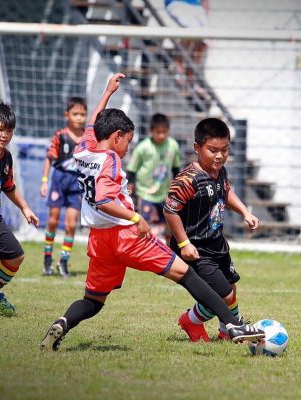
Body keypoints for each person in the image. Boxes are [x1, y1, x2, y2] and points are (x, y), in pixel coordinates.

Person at [40, 73, 264, 351]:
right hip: (126, 236)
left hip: (99, 240)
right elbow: (103, 199)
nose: (127, 148)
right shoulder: (110, 159)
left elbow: (92, 123)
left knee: (93, 300)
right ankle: (233, 324)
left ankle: (63, 323)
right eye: (128, 141)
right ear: (117, 137)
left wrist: (107, 93)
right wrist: (136, 217)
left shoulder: (84, 150)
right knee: (187, 274)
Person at [164, 117, 260, 342]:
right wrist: (184, 244)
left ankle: (225, 332)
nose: (219, 156)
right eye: (213, 150)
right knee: (223, 295)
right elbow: (170, 211)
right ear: (197, 148)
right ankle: (192, 320)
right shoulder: (187, 179)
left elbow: (225, 191)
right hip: (195, 248)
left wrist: (245, 212)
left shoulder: (220, 171)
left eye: (224, 150)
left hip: (217, 242)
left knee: (231, 288)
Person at [0, 102, 39, 316]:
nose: (5, 135)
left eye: (9, 130)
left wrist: (25, 208)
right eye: (0, 129)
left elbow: (8, 187)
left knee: (16, 256)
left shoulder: (6, 157)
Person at [39, 97, 87, 278]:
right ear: (67, 115)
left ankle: (64, 261)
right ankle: (47, 258)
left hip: (77, 182)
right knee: (52, 220)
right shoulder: (60, 136)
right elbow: (49, 158)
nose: (79, 118)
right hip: (59, 179)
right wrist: (44, 180)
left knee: (71, 224)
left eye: (82, 114)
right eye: (75, 114)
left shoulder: (87, 138)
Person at [126, 113, 181, 242]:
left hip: (164, 194)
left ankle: (168, 250)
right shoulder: (143, 147)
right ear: (151, 131)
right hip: (145, 193)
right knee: (146, 225)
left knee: (168, 225)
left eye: (164, 132)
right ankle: (145, 249)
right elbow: (131, 169)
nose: (161, 135)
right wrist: (131, 186)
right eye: (158, 132)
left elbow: (176, 169)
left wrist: (176, 189)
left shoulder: (173, 145)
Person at [165, 0, 209, 94]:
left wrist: (204, 7)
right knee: (192, 29)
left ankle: (190, 77)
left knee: (204, 41)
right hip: (178, 3)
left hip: (197, 6)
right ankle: (178, 65)